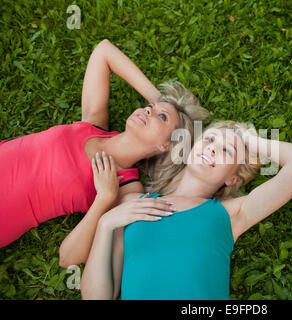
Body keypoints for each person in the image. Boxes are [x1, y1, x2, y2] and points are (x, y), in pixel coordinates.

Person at [0, 39, 209, 252]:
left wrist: (104, 199)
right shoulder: (92, 124)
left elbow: (70, 256)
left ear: (166, 145)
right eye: (149, 107)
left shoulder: (126, 189)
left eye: (161, 117)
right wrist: (164, 101)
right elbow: (103, 51)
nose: (148, 110)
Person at [80, 120, 292, 300]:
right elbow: (97, 296)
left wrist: (249, 141)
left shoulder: (231, 214)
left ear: (233, 179)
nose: (213, 149)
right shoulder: (133, 202)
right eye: (210, 139)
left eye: (227, 151)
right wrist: (105, 224)